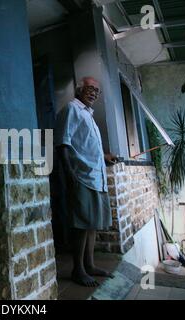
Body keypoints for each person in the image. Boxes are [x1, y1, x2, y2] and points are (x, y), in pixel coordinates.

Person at [55, 77, 118, 287]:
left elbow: (86, 146)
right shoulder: (72, 109)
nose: (93, 93)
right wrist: (70, 174)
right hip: (81, 176)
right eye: (90, 89)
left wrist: (105, 157)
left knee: (91, 224)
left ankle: (89, 265)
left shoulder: (88, 115)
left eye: (97, 91)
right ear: (80, 89)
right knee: (81, 224)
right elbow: (62, 143)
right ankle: (77, 269)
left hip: (95, 176)